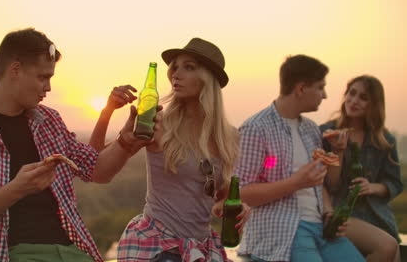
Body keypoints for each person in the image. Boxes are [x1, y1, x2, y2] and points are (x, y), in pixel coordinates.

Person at [0, 28, 157, 262]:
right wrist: (16, 189)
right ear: (15, 70)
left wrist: (125, 140)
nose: (48, 87)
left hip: (70, 251)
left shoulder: (49, 121)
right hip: (4, 254)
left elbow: (97, 170)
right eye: (43, 77)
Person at [113, 37, 250, 262]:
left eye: (189, 67)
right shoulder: (159, 123)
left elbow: (220, 194)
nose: (176, 74)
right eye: (175, 67)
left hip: (201, 246)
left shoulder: (230, 136)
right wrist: (108, 112)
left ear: (208, 79)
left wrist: (239, 206)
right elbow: (103, 160)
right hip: (158, 244)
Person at [235, 55, 365, 262]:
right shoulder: (255, 129)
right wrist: (296, 182)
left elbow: (322, 183)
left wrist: (329, 214)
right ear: (301, 88)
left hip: (321, 230)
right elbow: (242, 193)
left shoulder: (311, 129)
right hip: (282, 231)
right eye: (321, 87)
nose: (325, 95)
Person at [320, 75, 403, 261]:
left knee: (395, 252)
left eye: (363, 97)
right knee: (388, 246)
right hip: (341, 211)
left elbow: (395, 183)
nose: (354, 100)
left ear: (374, 105)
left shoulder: (383, 140)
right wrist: (337, 151)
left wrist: (373, 187)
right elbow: (328, 184)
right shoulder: (327, 132)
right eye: (352, 93)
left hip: (376, 214)